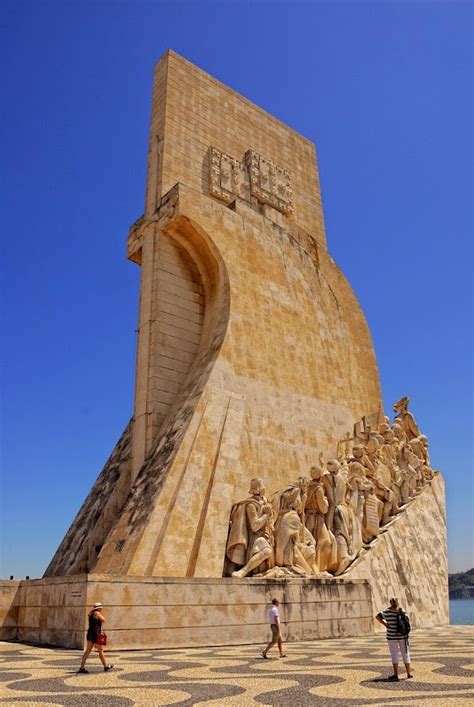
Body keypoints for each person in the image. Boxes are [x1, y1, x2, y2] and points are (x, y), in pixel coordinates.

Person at [376, 597, 413, 681]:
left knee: (394, 654)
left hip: (392, 636)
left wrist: (385, 624)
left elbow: (377, 617)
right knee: (405, 654)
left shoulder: (386, 611)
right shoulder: (402, 611)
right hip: (403, 636)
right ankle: (408, 673)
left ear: (390, 603)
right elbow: (407, 621)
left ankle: (396, 674)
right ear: (397, 603)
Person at [78, 602, 114, 673]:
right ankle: (105, 666)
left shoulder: (91, 614)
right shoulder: (97, 613)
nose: (102, 609)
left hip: (90, 634)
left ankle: (82, 667)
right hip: (96, 635)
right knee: (101, 651)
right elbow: (104, 620)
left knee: (88, 651)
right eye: (101, 608)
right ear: (99, 608)